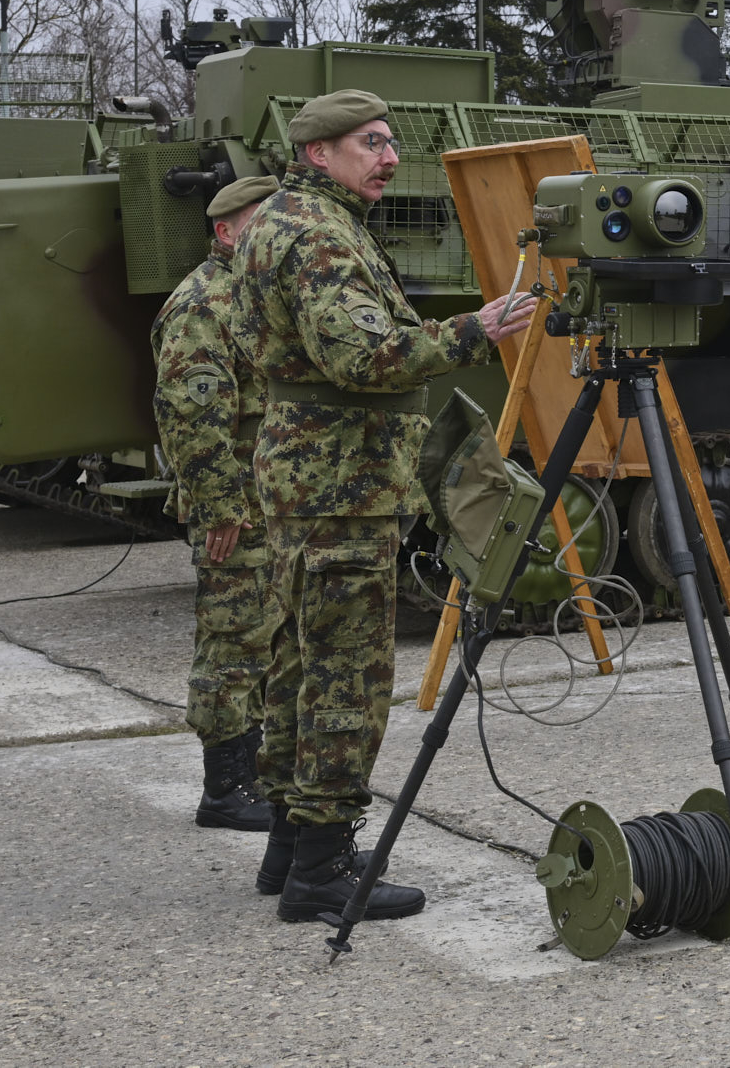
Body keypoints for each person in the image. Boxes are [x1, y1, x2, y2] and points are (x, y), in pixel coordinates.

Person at [231, 91, 538, 923]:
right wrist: (476, 330)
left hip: (311, 480)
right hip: (341, 488)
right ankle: (322, 872)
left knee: (300, 663)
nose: (389, 156)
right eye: (370, 143)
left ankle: (291, 850)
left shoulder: (280, 221)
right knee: (346, 677)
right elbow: (366, 356)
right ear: (319, 152)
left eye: (390, 142)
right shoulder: (318, 236)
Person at [152, 174, 285, 835]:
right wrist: (223, 507)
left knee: (260, 637)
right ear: (226, 231)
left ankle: (250, 773)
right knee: (232, 639)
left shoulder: (256, 292)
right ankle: (225, 788)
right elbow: (194, 414)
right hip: (236, 504)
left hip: (268, 500)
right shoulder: (207, 300)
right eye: (259, 224)